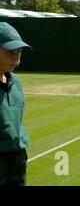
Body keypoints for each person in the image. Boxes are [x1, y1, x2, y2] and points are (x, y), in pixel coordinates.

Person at [0, 22, 32, 186]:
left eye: (18, 52)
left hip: (17, 158)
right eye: (9, 52)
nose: (16, 58)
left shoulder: (16, 81)